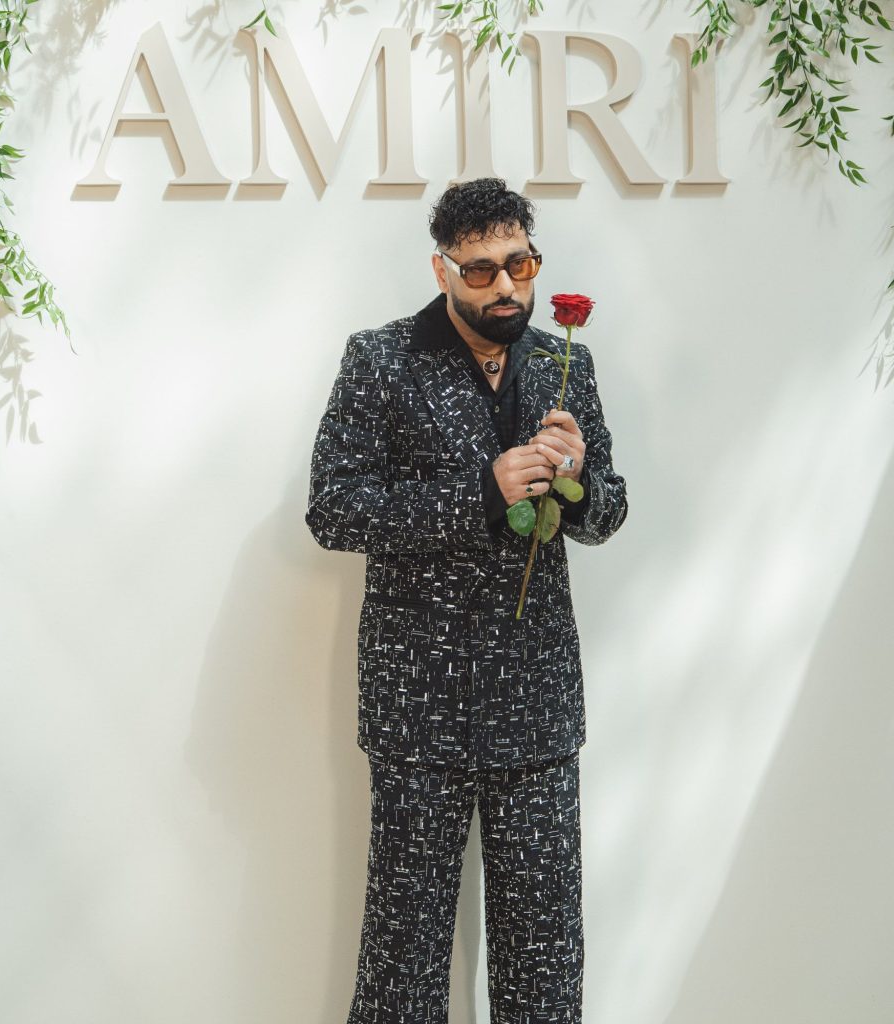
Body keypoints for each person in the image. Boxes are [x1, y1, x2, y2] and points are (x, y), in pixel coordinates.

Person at [305, 177, 628, 1023]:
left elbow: (607, 514)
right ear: (443, 269)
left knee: (545, 959)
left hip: (539, 707)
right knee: (403, 963)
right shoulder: (380, 359)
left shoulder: (566, 361)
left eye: (520, 264)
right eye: (482, 271)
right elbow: (333, 508)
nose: (508, 287)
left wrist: (582, 481)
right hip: (420, 709)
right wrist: (477, 494)